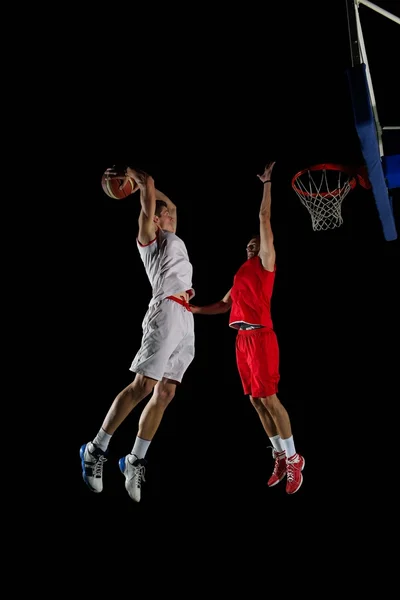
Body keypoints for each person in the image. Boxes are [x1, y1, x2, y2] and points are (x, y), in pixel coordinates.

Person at [80, 165, 195, 502]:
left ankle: (134, 460)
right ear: (154, 220)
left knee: (166, 393)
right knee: (142, 385)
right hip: (165, 311)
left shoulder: (172, 234)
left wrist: (152, 192)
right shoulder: (149, 237)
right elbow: (153, 196)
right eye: (163, 215)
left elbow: (170, 204)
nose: (171, 215)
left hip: (184, 318)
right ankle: (95, 449)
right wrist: (136, 178)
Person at [190, 161, 304, 494]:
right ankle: (280, 455)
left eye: (255, 242)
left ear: (264, 245)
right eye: (248, 244)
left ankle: (295, 457)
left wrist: (267, 183)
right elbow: (224, 304)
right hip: (241, 341)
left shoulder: (266, 263)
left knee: (270, 399)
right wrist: (193, 308)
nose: (250, 245)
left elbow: (264, 219)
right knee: (256, 402)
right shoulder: (242, 272)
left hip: (262, 336)